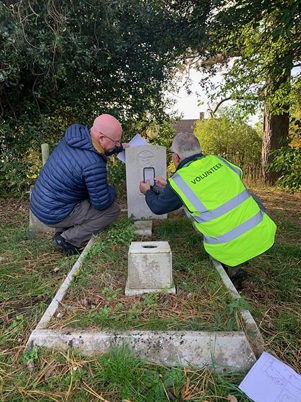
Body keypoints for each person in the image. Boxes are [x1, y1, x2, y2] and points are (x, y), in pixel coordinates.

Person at [139, 133, 277, 283]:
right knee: (250, 197)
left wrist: (147, 191)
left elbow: (158, 207)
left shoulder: (180, 180)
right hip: (263, 234)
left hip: (226, 249)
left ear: (176, 157)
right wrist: (169, 188)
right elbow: (230, 179)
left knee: (197, 214)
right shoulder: (218, 161)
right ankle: (248, 242)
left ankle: (231, 265)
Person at [30, 114, 126, 256]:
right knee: (112, 210)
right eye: (116, 142)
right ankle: (68, 239)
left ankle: (63, 230)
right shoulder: (93, 163)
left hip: (41, 202)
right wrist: (112, 191)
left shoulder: (77, 138)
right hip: (53, 211)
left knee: (86, 196)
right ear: (101, 138)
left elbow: (100, 148)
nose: (118, 144)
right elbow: (101, 203)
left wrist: (119, 148)